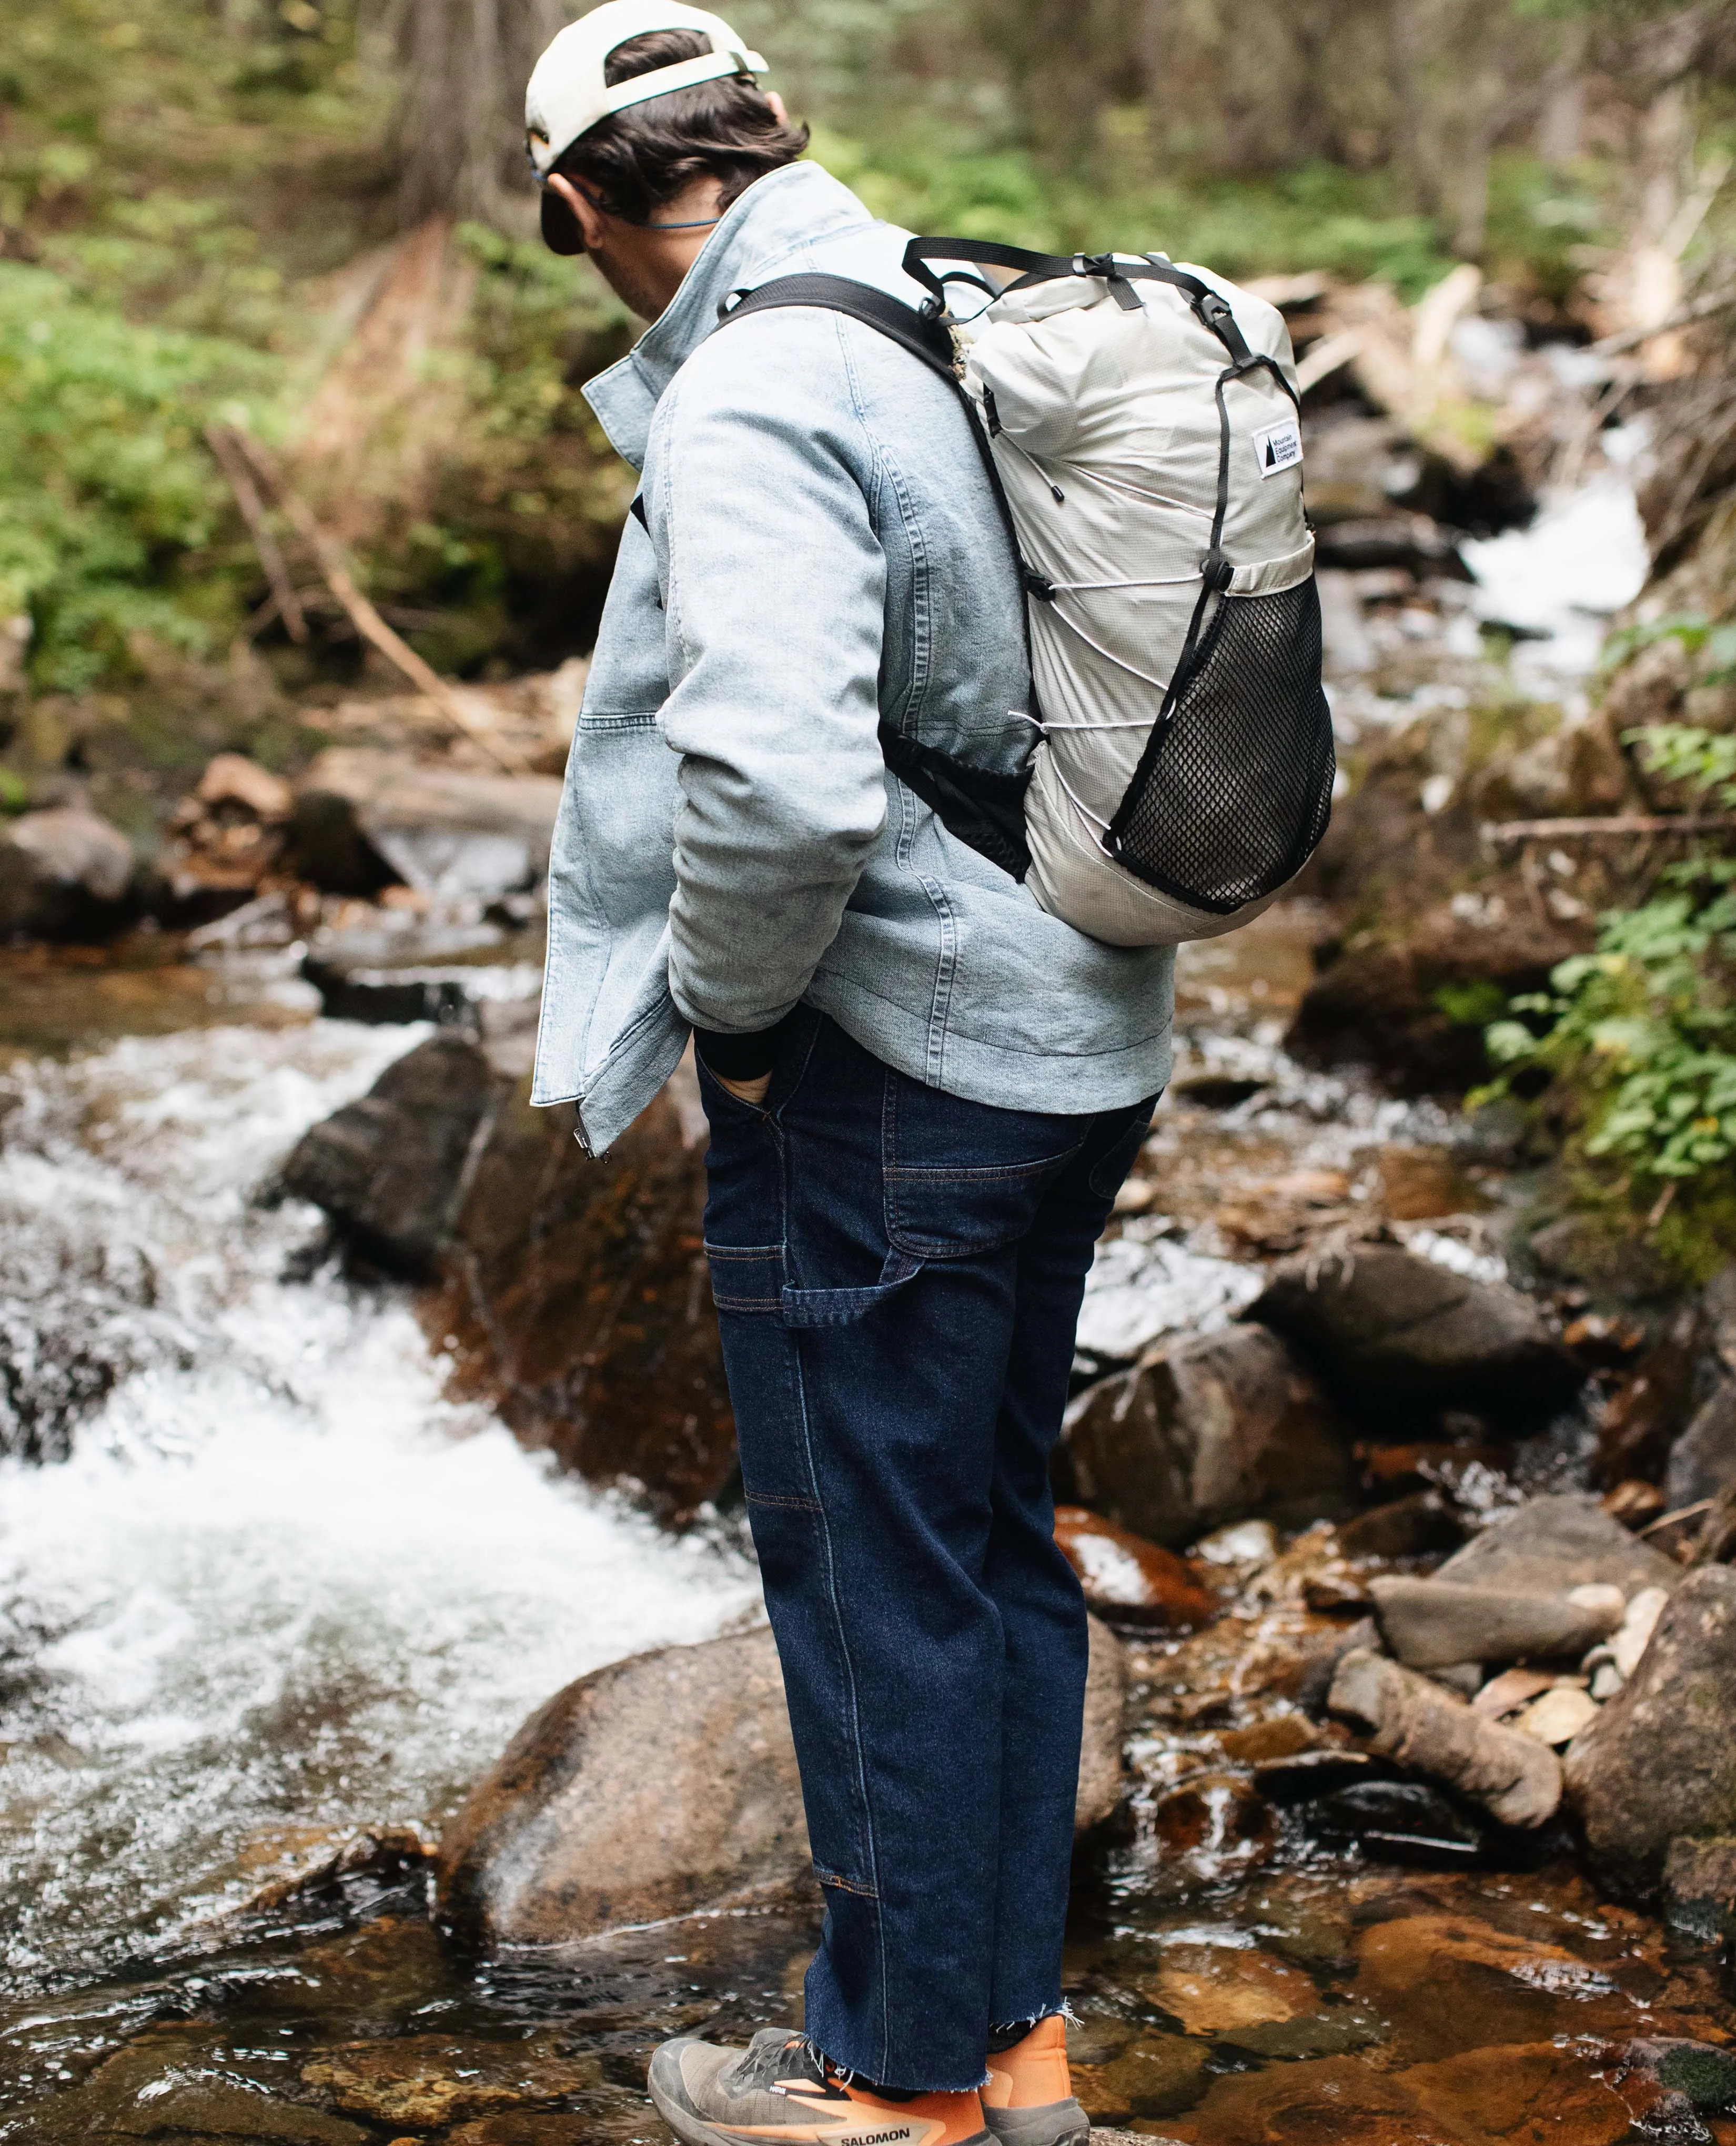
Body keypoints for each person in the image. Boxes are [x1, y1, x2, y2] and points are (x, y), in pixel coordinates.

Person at [523, 7, 1175, 2141]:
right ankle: (1009, 2038)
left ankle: (895, 2092)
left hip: (888, 1064)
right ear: (770, 140)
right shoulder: (926, 295)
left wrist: (730, 1019)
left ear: (582, 205)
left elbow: (786, 797)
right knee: (987, 1543)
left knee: (870, 1569)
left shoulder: (751, 393)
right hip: (1072, 1027)